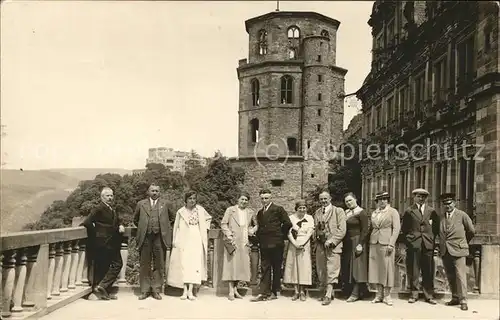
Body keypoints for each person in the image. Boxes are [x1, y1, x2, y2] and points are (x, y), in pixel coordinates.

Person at [81, 187, 124, 300]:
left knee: (111, 266)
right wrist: (97, 234)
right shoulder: (99, 208)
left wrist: (120, 224)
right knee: (107, 266)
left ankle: (103, 290)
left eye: (111, 195)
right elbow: (87, 222)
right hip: (103, 243)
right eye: (107, 196)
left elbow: (115, 220)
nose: (110, 198)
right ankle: (101, 289)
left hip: (112, 243)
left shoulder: (111, 208)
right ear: (102, 197)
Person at [167, 190, 212, 300]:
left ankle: (191, 290)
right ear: (186, 200)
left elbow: (208, 218)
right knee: (184, 264)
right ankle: (184, 290)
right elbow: (176, 227)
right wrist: (175, 240)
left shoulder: (200, 210)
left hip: (196, 237)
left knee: (194, 264)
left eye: (194, 198)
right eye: (190, 198)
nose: (192, 200)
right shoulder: (181, 211)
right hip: (184, 239)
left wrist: (204, 229)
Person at [134, 183, 174, 300]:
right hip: (145, 237)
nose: (155, 193)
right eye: (152, 190)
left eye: (157, 191)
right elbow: (135, 220)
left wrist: (164, 229)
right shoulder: (141, 204)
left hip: (160, 237)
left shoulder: (166, 204)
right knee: (144, 264)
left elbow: (172, 218)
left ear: (159, 192)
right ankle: (145, 290)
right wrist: (144, 228)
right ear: (148, 192)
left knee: (159, 264)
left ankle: (156, 289)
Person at [251, 189, 292, 302]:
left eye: (266, 198)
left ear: (271, 198)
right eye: (262, 198)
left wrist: (280, 235)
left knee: (276, 268)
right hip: (264, 244)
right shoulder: (260, 212)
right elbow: (260, 227)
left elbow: (288, 223)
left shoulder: (278, 209)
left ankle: (274, 292)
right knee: (264, 268)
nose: (264, 200)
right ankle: (264, 292)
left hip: (276, 243)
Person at [401, 188, 439, 304]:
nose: (421, 198)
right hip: (414, 244)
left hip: (427, 244)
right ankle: (414, 294)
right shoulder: (409, 211)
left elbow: (436, 228)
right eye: (419, 196)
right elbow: (405, 229)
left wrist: (432, 240)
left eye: (423, 196)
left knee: (428, 270)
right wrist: (410, 240)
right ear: (414, 197)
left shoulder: (431, 211)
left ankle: (429, 295)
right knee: (414, 270)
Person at [438, 192, 475, 311]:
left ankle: (463, 300)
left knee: (460, 276)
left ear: (454, 203)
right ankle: (455, 298)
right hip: (445, 251)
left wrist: (462, 243)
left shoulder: (462, 215)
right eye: (445, 204)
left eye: (449, 203)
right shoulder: (442, 217)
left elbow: (471, 231)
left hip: (458, 250)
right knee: (450, 275)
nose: (447, 206)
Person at [220, 192, 258, 300]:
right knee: (232, 265)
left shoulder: (250, 212)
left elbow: (255, 225)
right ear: (238, 199)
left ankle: (236, 289)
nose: (244, 202)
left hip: (244, 241)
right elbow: (223, 224)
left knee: (241, 267)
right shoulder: (230, 210)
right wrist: (229, 235)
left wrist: (252, 230)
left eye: (246, 200)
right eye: (242, 199)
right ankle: (231, 291)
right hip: (233, 241)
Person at [314, 191, 347, 305]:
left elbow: (342, 230)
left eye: (325, 199)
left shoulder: (338, 211)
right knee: (321, 269)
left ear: (330, 199)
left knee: (332, 269)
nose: (323, 201)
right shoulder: (317, 212)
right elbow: (316, 228)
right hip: (320, 245)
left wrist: (332, 241)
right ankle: (327, 291)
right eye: (321, 199)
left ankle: (328, 294)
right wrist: (317, 237)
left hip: (333, 246)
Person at [368, 190, 400, 306]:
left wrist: (391, 244)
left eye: (385, 199)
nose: (383, 201)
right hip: (374, 242)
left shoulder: (393, 212)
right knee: (376, 268)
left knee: (387, 269)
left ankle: (387, 295)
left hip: (386, 243)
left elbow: (396, 229)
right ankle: (378, 294)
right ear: (377, 201)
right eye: (381, 199)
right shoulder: (375, 213)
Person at [283, 199, 314, 301]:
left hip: (305, 244)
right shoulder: (291, 218)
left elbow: (310, 232)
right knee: (294, 267)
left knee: (303, 267)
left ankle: (302, 291)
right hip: (293, 244)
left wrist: (303, 243)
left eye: (304, 208)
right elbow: (288, 233)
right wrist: (295, 244)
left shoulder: (309, 218)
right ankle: (296, 291)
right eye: (300, 208)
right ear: (296, 209)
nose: (302, 209)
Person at [341, 192, 370, 302]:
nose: (348, 203)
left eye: (350, 200)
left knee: (358, 267)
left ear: (355, 199)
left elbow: (365, 230)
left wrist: (360, 244)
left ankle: (356, 293)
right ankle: (352, 290)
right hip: (348, 242)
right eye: (346, 201)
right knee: (349, 267)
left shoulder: (361, 212)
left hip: (358, 241)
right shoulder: (346, 213)